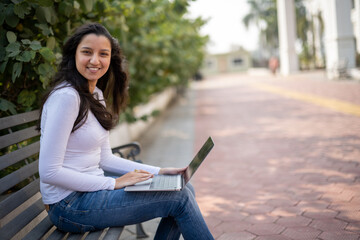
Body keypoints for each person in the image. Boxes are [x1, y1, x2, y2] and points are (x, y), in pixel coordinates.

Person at [37, 23, 213, 240]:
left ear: (111, 59)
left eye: (103, 54)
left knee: (184, 189)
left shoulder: (96, 95)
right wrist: (113, 183)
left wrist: (159, 172)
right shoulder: (66, 97)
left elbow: (105, 158)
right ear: (74, 54)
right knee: (180, 199)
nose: (95, 60)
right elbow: (49, 172)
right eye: (87, 52)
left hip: (90, 192)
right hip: (68, 205)